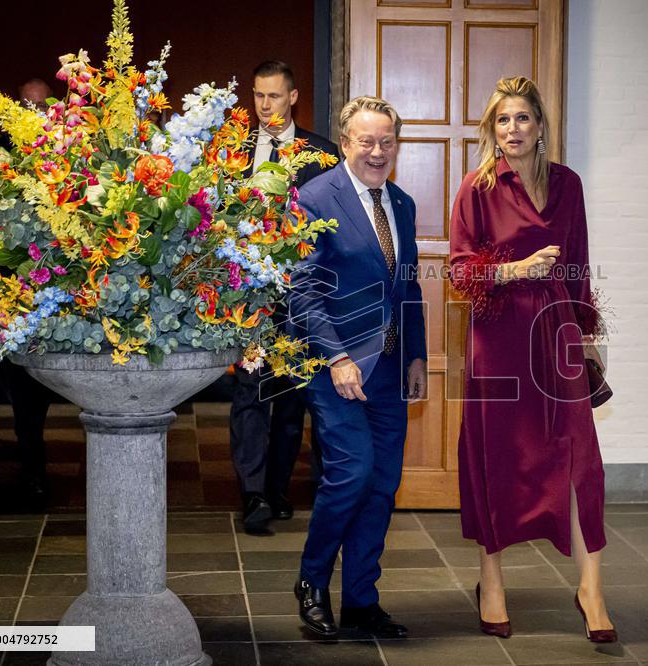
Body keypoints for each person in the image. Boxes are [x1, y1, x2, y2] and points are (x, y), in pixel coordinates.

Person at [448, 76, 617, 643]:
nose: (513, 129)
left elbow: (580, 264)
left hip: (558, 333)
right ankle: (490, 579)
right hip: (498, 338)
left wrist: (587, 335)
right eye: (502, 120)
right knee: (497, 459)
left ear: (541, 126)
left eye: (523, 118)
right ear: (490, 129)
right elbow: (457, 271)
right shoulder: (477, 189)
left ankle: (591, 586)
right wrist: (514, 270)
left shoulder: (569, 185)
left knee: (581, 460)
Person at [287, 96, 428, 638]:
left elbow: (409, 285)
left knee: (383, 482)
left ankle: (362, 600)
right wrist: (338, 357)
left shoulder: (404, 205)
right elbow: (302, 289)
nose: (377, 152)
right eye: (366, 141)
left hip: (391, 369)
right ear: (345, 143)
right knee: (351, 473)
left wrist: (416, 354)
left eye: (386, 142)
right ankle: (312, 581)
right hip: (335, 367)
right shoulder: (314, 198)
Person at [230, 60, 339, 533]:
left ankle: (276, 487)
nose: (265, 105)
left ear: (293, 97)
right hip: (249, 294)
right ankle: (252, 493)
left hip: (304, 294)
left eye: (274, 96)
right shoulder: (232, 153)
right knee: (249, 391)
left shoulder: (322, 154)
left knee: (293, 397)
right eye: (258, 96)